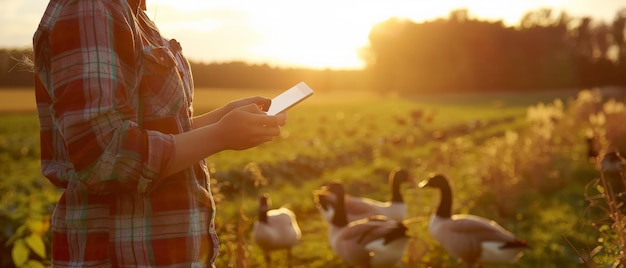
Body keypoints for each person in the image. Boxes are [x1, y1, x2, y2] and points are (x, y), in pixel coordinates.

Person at [32, 0, 287, 266]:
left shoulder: (135, 15)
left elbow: (153, 132)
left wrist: (219, 119)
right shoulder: (91, 9)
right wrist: (220, 135)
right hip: (123, 255)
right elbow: (104, 155)